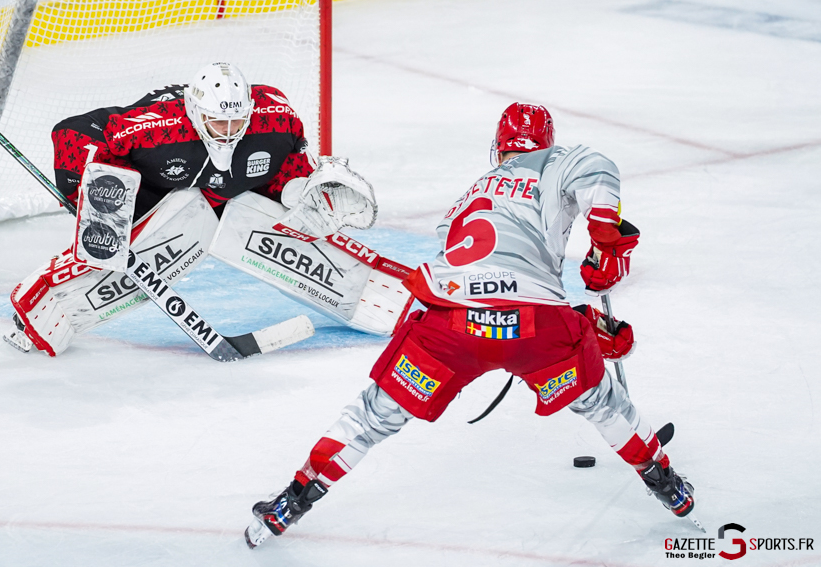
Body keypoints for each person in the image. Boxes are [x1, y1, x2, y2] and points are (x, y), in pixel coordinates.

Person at [244, 103, 696, 549]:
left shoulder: (468, 197)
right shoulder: (553, 161)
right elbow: (598, 167)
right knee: (601, 401)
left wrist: (576, 319)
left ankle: (291, 501)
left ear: (498, 148)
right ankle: (667, 484)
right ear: (546, 143)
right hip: (536, 327)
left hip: (454, 325)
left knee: (373, 415)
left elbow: (485, 280)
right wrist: (605, 242)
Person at [4, 62, 378, 356]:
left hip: (215, 188)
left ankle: (356, 287)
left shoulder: (275, 120)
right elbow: (73, 131)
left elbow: (285, 162)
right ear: (196, 113)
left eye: (236, 121)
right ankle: (43, 307)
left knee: (255, 215)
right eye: (218, 122)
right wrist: (98, 194)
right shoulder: (158, 129)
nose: (228, 131)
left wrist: (300, 187)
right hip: (145, 182)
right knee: (155, 232)